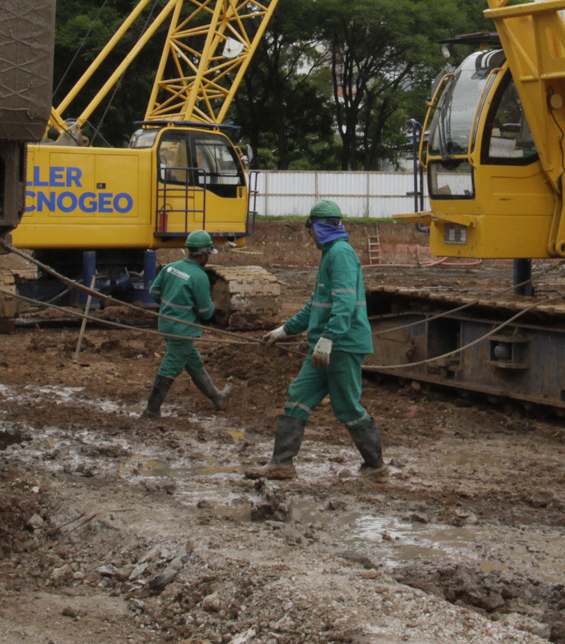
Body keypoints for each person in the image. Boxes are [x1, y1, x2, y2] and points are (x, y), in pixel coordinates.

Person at [245, 200, 385, 480]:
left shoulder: (341, 254)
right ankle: (281, 463)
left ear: (317, 227)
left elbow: (345, 302)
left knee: (347, 406)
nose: (309, 235)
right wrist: (286, 329)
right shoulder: (331, 254)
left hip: (341, 346)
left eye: (309, 229)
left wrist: (329, 339)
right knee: (298, 395)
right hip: (324, 346)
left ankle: (376, 466)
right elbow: (316, 304)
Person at [141, 230, 233, 418]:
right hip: (182, 329)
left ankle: (217, 397)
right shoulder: (199, 276)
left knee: (193, 362)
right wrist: (214, 308)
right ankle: (151, 410)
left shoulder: (170, 268)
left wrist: (172, 304)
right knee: (170, 366)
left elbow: (154, 293)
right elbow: (206, 313)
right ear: (204, 254)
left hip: (166, 324)